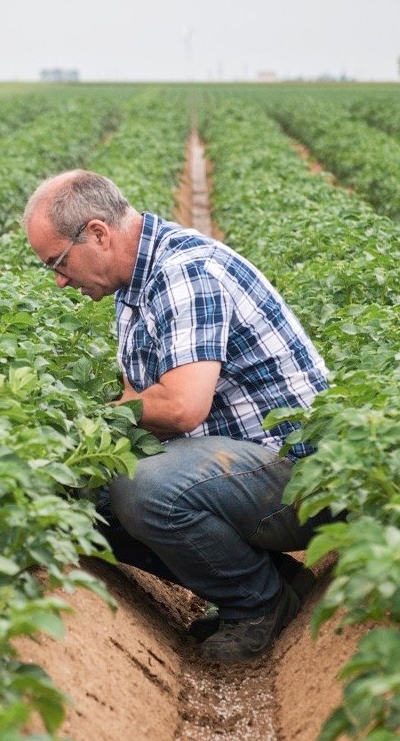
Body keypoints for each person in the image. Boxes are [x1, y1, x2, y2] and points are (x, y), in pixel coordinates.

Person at [23, 170, 333, 664]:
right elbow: (139, 402)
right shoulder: (133, 289)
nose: (60, 280)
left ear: (99, 233)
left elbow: (181, 407)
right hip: (242, 473)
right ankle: (272, 581)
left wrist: (83, 420)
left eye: (58, 263)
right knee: (81, 498)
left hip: (301, 480)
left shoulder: (185, 271)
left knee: (145, 486)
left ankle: (257, 605)